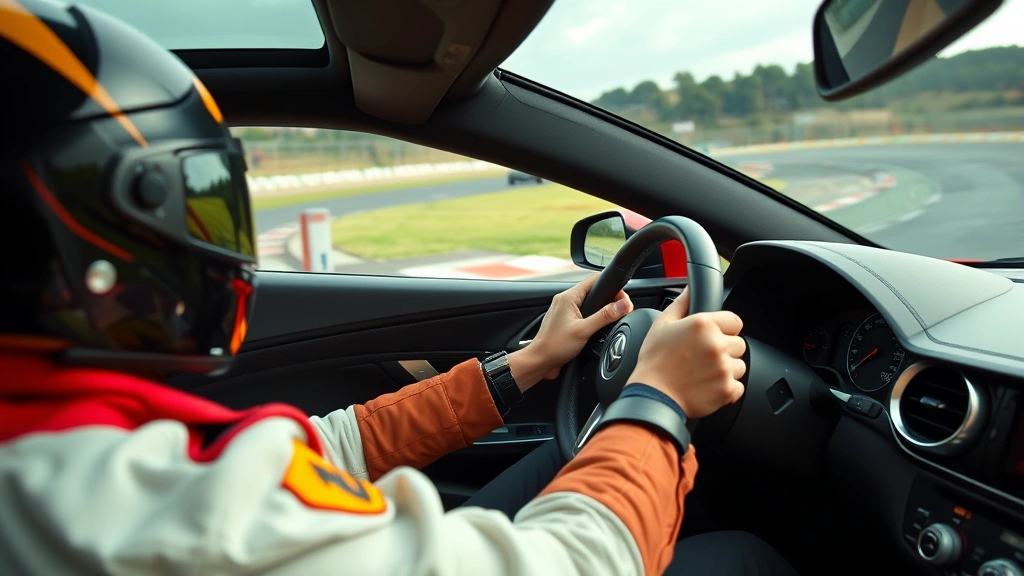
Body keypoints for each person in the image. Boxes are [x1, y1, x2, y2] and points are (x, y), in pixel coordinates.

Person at [0, 1, 797, 574]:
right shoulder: (123, 512)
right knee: (745, 556)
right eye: (188, 205)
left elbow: (326, 447)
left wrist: (524, 365)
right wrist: (657, 398)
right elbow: (574, 562)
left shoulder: (66, 444)